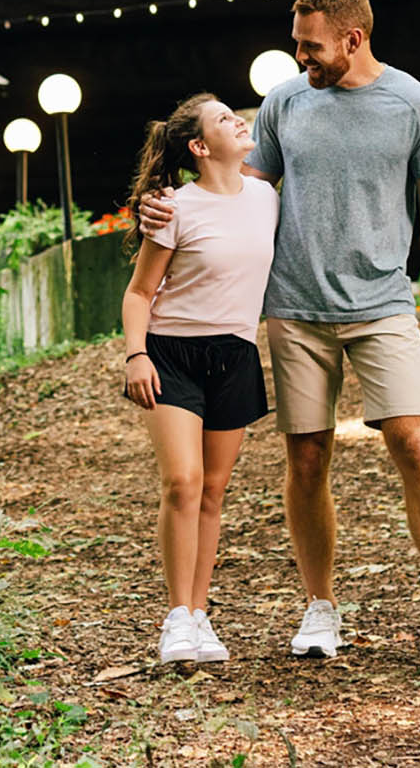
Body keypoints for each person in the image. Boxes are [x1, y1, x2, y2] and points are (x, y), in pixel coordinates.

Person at [140, 0, 420, 668]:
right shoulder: (283, 104)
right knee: (306, 457)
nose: (300, 58)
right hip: (296, 309)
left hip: (384, 303)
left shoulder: (415, 104)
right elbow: (240, 190)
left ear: (352, 39)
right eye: (297, 46)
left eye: (310, 47)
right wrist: (165, 206)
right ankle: (320, 608)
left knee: (416, 446)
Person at [120, 93, 276, 664]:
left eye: (235, 114)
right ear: (199, 147)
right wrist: (137, 355)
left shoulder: (266, 197)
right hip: (171, 354)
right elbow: (139, 293)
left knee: (212, 492)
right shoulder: (175, 208)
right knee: (182, 483)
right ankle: (176, 618)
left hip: (234, 356)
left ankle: (200, 614)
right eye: (223, 119)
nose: (239, 120)